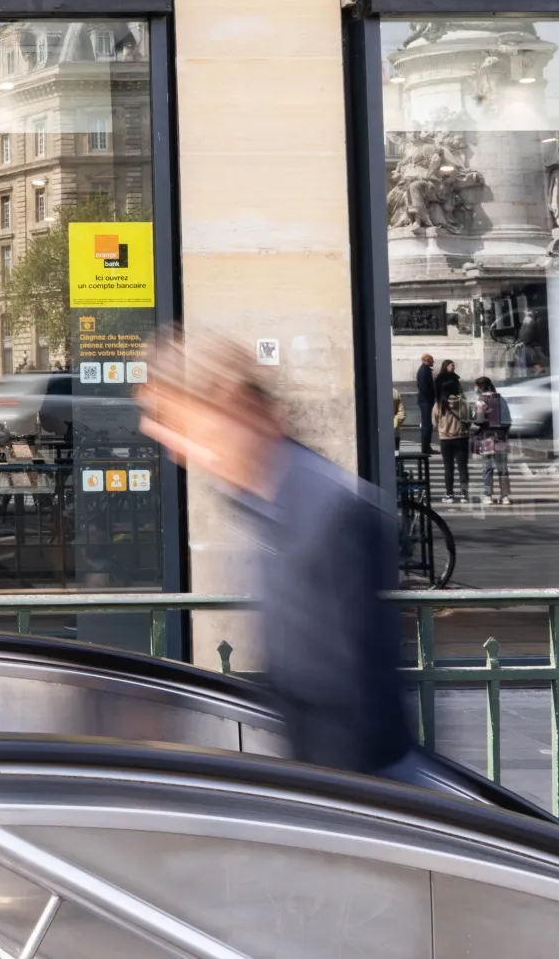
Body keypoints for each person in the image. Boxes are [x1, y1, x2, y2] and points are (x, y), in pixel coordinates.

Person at [136, 330, 432, 784]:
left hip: (361, 800)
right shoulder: (262, 501)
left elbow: (349, 705)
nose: (160, 435)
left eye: (172, 418)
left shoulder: (325, 513)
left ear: (227, 404)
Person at [433, 364, 471, 501]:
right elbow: (469, 420)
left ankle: (449, 494)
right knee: (463, 467)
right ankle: (464, 494)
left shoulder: (439, 405)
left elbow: (434, 422)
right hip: (461, 437)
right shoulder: (464, 403)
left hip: (445, 438)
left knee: (448, 468)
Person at [472, 376, 511, 506]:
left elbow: (478, 420)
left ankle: (488, 496)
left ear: (480, 387)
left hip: (486, 437)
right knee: (502, 468)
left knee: (487, 467)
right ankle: (505, 496)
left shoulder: (481, 401)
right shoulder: (501, 400)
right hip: (501, 437)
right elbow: (508, 420)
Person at [414, 354, 436, 460]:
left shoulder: (425, 369)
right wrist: (430, 396)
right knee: (427, 424)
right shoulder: (424, 370)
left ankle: (427, 446)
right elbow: (423, 387)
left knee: (427, 424)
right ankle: (425, 447)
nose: (433, 362)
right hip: (425, 400)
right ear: (427, 360)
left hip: (425, 400)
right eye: (432, 360)